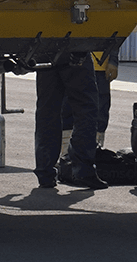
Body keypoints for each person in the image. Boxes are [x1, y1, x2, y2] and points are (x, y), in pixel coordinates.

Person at [34, 54, 105, 189]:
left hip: (45, 49)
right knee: (86, 106)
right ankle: (82, 170)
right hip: (74, 48)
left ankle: (45, 171)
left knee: (47, 110)